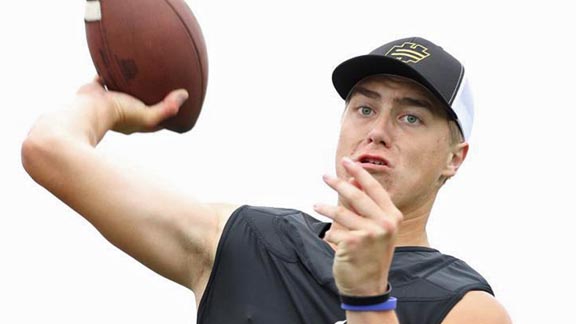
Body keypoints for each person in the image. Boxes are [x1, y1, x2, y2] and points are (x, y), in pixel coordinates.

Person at [22, 36, 511, 323]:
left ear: (455, 158)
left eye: (411, 118)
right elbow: (50, 151)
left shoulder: (465, 305)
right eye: (364, 108)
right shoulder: (247, 238)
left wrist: (368, 300)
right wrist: (102, 106)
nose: (378, 131)